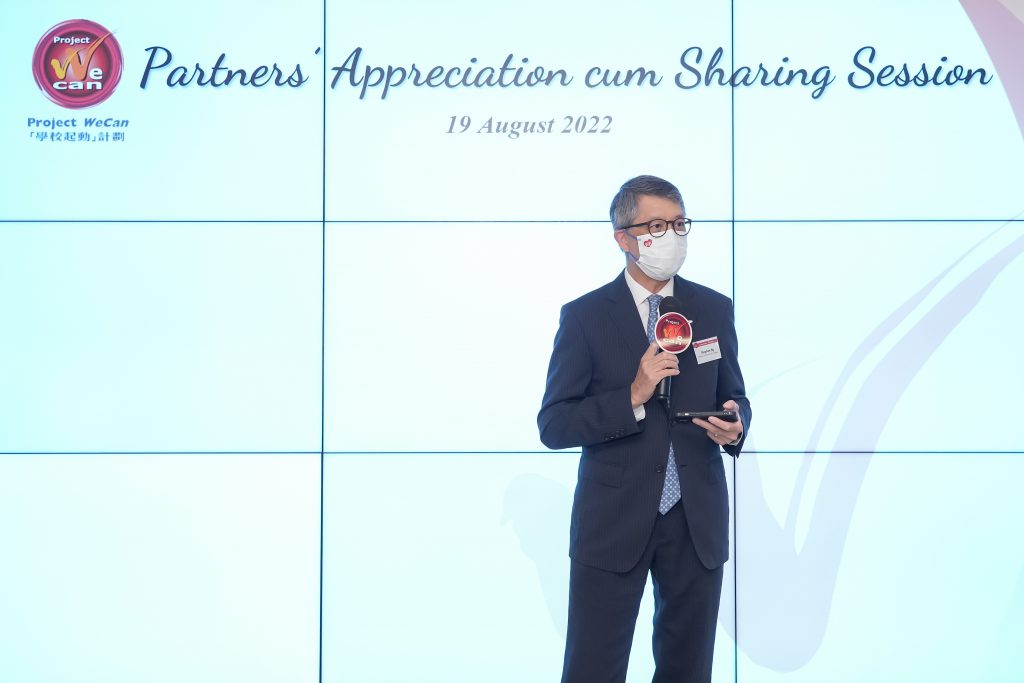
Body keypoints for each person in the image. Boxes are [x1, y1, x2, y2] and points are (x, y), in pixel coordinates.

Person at [538, 175, 751, 683]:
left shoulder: (712, 308)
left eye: (678, 224)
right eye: (656, 226)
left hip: (695, 520)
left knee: (688, 670)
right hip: (613, 521)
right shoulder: (586, 316)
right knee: (593, 669)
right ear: (624, 238)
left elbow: (735, 394)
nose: (671, 236)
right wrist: (632, 395)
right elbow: (554, 424)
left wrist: (736, 425)